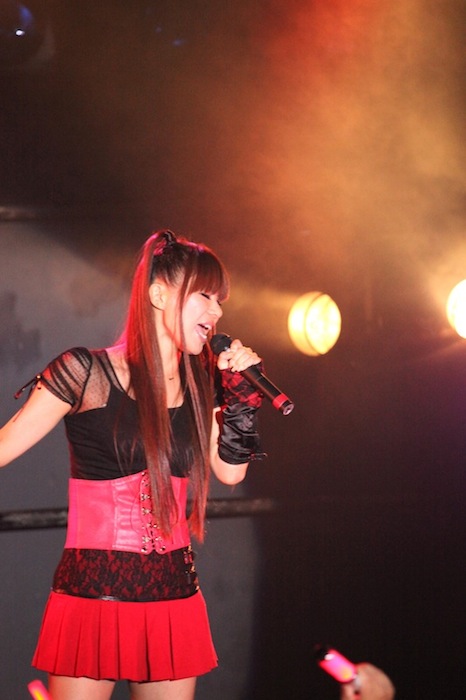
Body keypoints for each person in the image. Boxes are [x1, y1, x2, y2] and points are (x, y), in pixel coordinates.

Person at [0, 229, 265, 700]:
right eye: (204, 296)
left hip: (172, 596)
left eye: (220, 300)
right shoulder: (85, 372)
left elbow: (229, 472)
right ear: (159, 295)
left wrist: (240, 402)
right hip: (93, 594)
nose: (217, 311)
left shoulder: (204, 382)